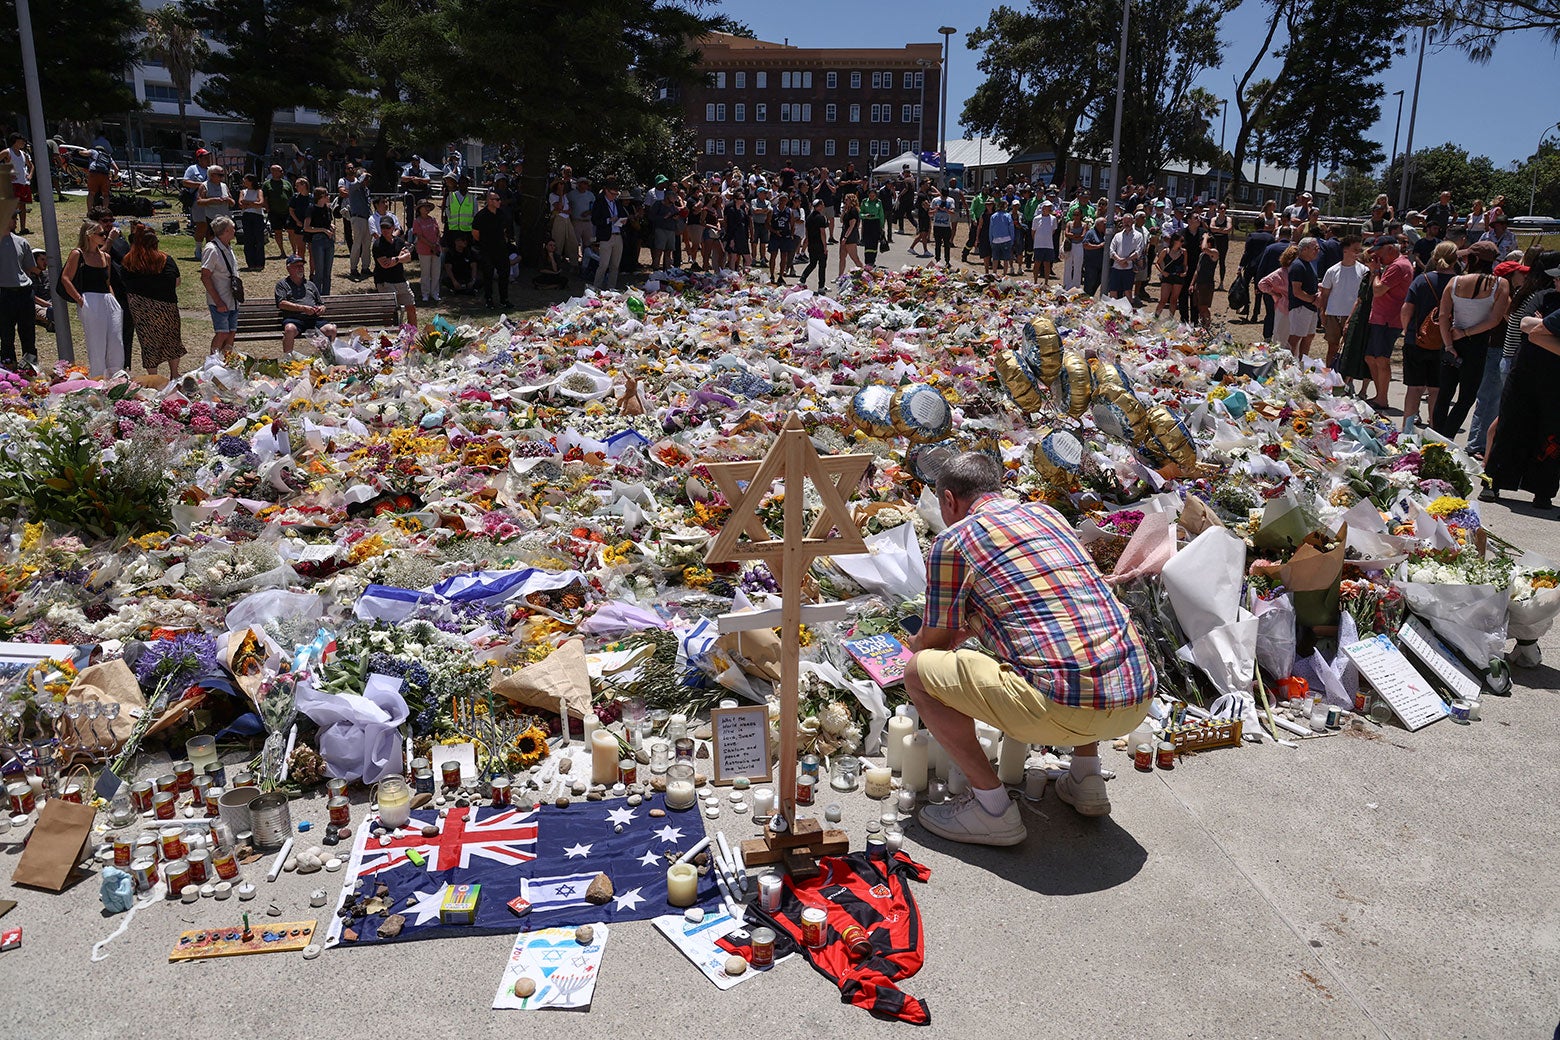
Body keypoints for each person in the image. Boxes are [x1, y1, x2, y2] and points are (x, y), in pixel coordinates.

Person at [904, 453, 1155, 845]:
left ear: (949, 500)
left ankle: (991, 810)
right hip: (1136, 695)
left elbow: (934, 644)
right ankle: (1086, 778)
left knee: (918, 672)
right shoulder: (1047, 515)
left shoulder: (954, 540)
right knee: (1074, 636)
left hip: (1060, 709)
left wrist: (916, 643)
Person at [1482, 254, 1560, 513]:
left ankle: (1543, 492)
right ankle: (1493, 483)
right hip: (1525, 372)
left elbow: (1535, 330)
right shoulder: (1543, 297)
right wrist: (1546, 327)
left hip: (1555, 380)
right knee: (1510, 425)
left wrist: (1541, 327)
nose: (1556, 281)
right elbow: (1524, 323)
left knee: (1550, 432)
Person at [1432, 242, 1509, 438]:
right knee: (1466, 397)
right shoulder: (1500, 284)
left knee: (1444, 394)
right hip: (1477, 344)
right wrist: (1467, 333)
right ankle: (1447, 436)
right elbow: (1494, 320)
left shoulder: (1455, 281)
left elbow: (1442, 316)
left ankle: (1435, 435)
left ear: (1474, 259)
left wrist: (1449, 343)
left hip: (1451, 340)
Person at [1400, 241, 1458, 428]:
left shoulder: (1421, 280)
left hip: (1417, 339)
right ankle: (1434, 431)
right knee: (1436, 390)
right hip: (1446, 342)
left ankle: (1407, 431)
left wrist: (1407, 330)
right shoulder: (1460, 283)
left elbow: (1406, 309)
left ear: (1433, 257)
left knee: (1414, 388)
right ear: (1456, 259)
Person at [60, 220, 125, 375]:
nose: (105, 236)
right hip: (90, 299)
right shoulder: (78, 254)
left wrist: (114, 300)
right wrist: (80, 300)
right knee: (97, 344)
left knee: (116, 342)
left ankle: (116, 378)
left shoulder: (105, 257)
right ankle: (99, 379)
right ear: (89, 235)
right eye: (101, 233)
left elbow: (107, 281)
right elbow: (65, 278)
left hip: (108, 299)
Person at [120, 225, 185, 378]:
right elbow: (176, 281)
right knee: (171, 338)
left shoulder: (129, 260)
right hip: (166, 305)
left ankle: (152, 375)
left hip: (140, 306)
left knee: (148, 342)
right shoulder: (164, 258)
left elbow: (125, 282)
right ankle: (174, 373)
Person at [1317, 236, 1365, 371]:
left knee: (1349, 349)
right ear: (1345, 250)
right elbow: (1325, 294)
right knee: (1332, 346)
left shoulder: (1363, 271)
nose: (1358, 252)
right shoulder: (1332, 271)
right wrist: (1322, 312)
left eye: (1359, 249)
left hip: (1352, 315)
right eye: (1355, 249)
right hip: (1333, 314)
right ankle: (1329, 374)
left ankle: (1346, 378)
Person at [275, 255, 336, 355]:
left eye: (302, 266)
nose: (300, 268)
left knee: (331, 329)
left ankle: (328, 357)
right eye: (297, 266)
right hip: (294, 319)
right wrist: (303, 308)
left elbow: (321, 304)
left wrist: (321, 309)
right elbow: (281, 303)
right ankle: (288, 359)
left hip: (313, 319)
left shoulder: (310, 284)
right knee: (289, 329)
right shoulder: (282, 285)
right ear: (288, 268)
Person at [0, 213, 39, 369]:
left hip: (24, 292)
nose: (15, 221)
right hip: (3, 293)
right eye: (12, 218)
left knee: (28, 333)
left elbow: (29, 268)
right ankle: (9, 369)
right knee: (6, 334)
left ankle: (30, 368)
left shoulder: (22, 242)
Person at [199, 215, 240, 359]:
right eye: (232, 228)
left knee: (231, 333)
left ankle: (227, 362)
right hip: (220, 299)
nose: (235, 230)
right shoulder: (212, 249)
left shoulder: (228, 247)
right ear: (225, 231)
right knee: (222, 332)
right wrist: (218, 301)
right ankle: (214, 363)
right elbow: (205, 276)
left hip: (232, 299)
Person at [472, 190, 513, 306]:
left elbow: (505, 230)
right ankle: (488, 299)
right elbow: (475, 233)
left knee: (504, 274)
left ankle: (504, 299)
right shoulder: (481, 216)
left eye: (499, 199)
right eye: (497, 199)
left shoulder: (501, 214)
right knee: (488, 275)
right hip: (487, 250)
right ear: (489, 201)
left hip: (501, 249)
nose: (500, 202)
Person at [371, 222, 417, 329]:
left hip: (400, 280)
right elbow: (385, 264)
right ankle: (389, 336)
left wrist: (395, 259)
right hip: (384, 281)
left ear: (393, 228)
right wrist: (400, 257)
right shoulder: (378, 244)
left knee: (411, 307)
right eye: (382, 227)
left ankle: (412, 335)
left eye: (387, 227)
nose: (385, 230)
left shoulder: (399, 241)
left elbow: (408, 257)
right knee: (389, 311)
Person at [1286, 237, 1322, 359]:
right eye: (1315, 248)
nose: (1318, 251)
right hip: (1300, 307)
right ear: (1305, 249)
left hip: (1310, 307)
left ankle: (1303, 362)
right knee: (1295, 337)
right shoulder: (1297, 265)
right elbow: (1297, 291)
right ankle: (1287, 364)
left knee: (1309, 335)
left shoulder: (1309, 264)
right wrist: (1313, 299)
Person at [589, 181, 627, 291]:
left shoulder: (617, 202)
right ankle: (596, 288)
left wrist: (623, 220)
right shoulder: (599, 202)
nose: (614, 196)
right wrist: (608, 220)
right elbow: (595, 220)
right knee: (603, 264)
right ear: (606, 191)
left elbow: (622, 215)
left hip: (618, 234)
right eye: (612, 193)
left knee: (615, 265)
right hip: (606, 236)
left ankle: (611, 288)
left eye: (616, 194)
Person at [301, 187, 336, 295]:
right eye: (326, 195)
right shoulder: (311, 209)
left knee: (327, 272)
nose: (328, 197)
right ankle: (317, 296)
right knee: (319, 272)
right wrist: (324, 230)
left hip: (329, 240)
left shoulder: (328, 209)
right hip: (318, 240)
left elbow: (326, 222)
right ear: (321, 197)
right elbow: (306, 227)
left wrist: (331, 226)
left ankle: (326, 295)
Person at [1107, 212, 1146, 302]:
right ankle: (1113, 312)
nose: (1126, 223)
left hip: (1129, 268)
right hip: (1116, 268)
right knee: (1113, 291)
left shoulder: (1138, 236)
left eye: (1129, 221)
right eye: (1125, 221)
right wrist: (1119, 260)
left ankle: (1127, 313)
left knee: (1128, 291)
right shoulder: (1117, 236)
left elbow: (1138, 252)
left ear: (1133, 222)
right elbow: (1111, 250)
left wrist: (1125, 260)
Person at [411, 200, 442, 304]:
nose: (426, 209)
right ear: (419, 209)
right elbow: (419, 236)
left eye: (428, 207)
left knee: (436, 272)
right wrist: (431, 245)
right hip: (424, 250)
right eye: (424, 207)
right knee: (425, 273)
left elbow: (437, 233)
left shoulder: (432, 219)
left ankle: (435, 293)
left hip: (436, 250)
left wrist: (436, 244)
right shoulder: (417, 221)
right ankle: (425, 293)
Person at [235, 173, 267, 271]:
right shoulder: (243, 192)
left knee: (259, 239)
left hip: (257, 216)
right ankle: (251, 262)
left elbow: (261, 203)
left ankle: (259, 263)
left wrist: (248, 203)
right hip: (246, 216)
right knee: (248, 240)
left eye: (245, 180)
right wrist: (253, 203)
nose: (244, 182)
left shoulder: (259, 191)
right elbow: (240, 204)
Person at [345, 168, 373, 279]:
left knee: (367, 244)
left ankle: (365, 267)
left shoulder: (366, 190)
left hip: (367, 218)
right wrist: (363, 176)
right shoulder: (353, 187)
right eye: (365, 178)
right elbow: (357, 183)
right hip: (358, 218)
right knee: (357, 244)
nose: (367, 180)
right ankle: (353, 268)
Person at [1154, 232, 1186, 318]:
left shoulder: (1183, 252)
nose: (1182, 243)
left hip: (1178, 277)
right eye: (1181, 241)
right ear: (1175, 241)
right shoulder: (1166, 251)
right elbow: (1157, 263)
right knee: (1163, 300)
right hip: (1167, 276)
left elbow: (1185, 265)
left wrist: (1185, 272)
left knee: (1174, 300)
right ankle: (1155, 317)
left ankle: (1170, 318)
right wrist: (1162, 272)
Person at [6, 135, 34, 234]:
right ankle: (11, 227)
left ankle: (23, 228)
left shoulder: (23, 154)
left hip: (23, 182)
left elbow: (31, 166)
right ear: (15, 141)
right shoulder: (7, 152)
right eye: (21, 141)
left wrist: (30, 175)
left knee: (22, 205)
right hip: (13, 183)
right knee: (13, 205)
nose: (23, 143)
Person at [800, 198, 829, 290]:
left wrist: (807, 242)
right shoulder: (821, 218)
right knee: (822, 265)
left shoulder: (809, 217)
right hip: (819, 244)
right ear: (819, 206)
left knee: (812, 263)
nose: (823, 206)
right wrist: (825, 246)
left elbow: (807, 233)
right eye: (822, 204)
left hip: (811, 244)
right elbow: (822, 233)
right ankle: (821, 286)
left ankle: (802, 279)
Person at [836, 193, 863, 281]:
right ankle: (840, 276)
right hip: (844, 233)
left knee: (854, 257)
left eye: (846, 200)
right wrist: (843, 211)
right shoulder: (847, 210)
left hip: (850, 236)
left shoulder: (854, 211)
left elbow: (852, 225)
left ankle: (865, 273)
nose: (845, 201)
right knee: (842, 256)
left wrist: (846, 237)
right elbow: (841, 220)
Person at [1031, 200, 1058, 284]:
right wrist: (1036, 240)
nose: (1049, 208)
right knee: (1037, 264)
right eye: (1047, 207)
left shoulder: (1053, 219)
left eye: (1050, 207)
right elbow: (1033, 231)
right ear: (1043, 208)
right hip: (1038, 245)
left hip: (1049, 245)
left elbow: (1053, 230)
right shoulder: (1036, 219)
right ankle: (1035, 281)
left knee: (1047, 265)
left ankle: (1046, 282)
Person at [723, 191, 752, 270]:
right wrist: (732, 239)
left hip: (743, 236)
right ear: (735, 199)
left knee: (748, 259)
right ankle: (732, 275)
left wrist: (747, 213)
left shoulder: (743, 210)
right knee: (733, 258)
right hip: (735, 236)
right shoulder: (731, 210)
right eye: (740, 199)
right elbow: (731, 226)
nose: (742, 201)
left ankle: (746, 275)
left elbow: (747, 223)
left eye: (743, 199)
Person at [1081, 215, 1108, 297]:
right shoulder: (1091, 233)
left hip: (1101, 265)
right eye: (1104, 224)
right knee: (1089, 284)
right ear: (1098, 225)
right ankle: (1085, 300)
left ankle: (1090, 298)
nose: (1106, 226)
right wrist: (1099, 246)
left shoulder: (1104, 234)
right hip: (1091, 264)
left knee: (1097, 283)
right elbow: (1085, 245)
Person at [860, 188, 886, 268]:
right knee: (867, 242)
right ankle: (867, 261)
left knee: (874, 242)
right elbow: (860, 213)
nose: (872, 197)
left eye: (873, 195)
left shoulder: (879, 202)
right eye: (870, 195)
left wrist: (882, 226)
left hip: (876, 223)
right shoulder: (864, 202)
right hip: (867, 223)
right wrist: (865, 216)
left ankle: (872, 260)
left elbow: (881, 215)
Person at [987, 202, 1014, 276]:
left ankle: (994, 273)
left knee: (995, 258)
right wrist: (1012, 240)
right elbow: (1011, 228)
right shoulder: (1007, 216)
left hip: (995, 239)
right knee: (1006, 259)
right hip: (1006, 239)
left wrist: (991, 240)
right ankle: (1004, 274)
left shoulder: (993, 216)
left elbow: (991, 229)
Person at [930, 193, 954, 268]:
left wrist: (946, 210)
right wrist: (936, 209)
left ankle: (947, 260)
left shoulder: (950, 200)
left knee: (947, 244)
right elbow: (929, 213)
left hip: (946, 226)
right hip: (937, 226)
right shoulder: (935, 200)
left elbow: (953, 212)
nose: (944, 199)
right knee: (938, 244)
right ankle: (937, 260)